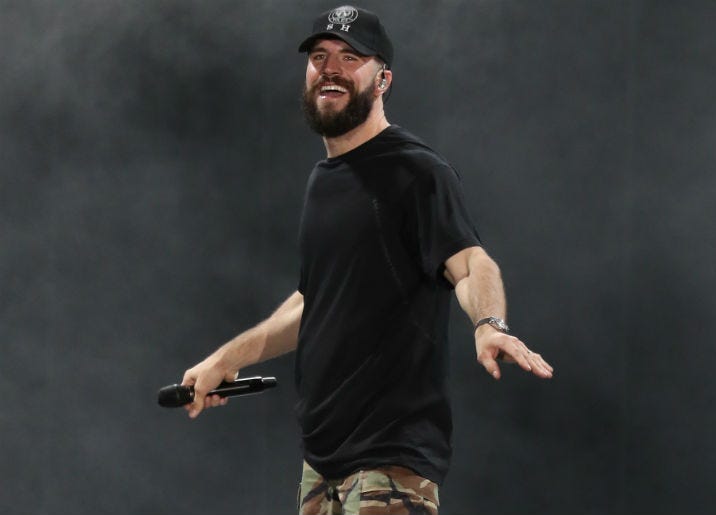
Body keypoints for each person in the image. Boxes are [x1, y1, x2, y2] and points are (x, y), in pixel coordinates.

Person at [180, 5, 553, 515]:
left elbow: (470, 262)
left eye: (350, 57)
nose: (330, 69)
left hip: (390, 460)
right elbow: (315, 303)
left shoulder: (416, 172)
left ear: (383, 80)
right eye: (319, 56)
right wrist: (226, 360)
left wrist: (489, 324)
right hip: (323, 464)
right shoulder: (324, 182)